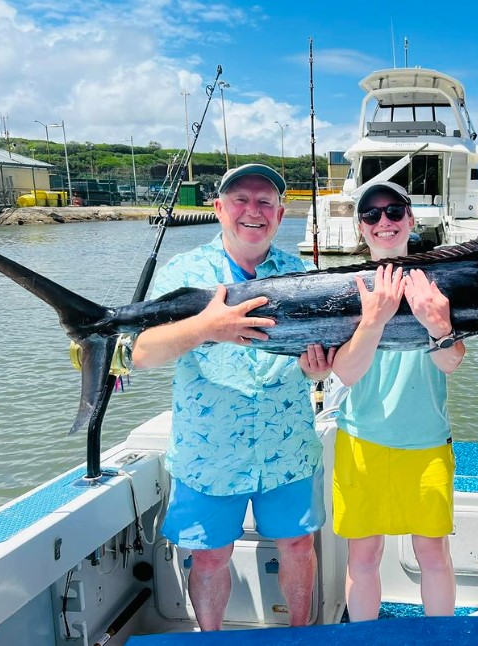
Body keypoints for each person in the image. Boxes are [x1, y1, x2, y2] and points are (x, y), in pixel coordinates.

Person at [131, 163, 336, 630]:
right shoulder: (184, 273)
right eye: (240, 200)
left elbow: (309, 358)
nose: (253, 211)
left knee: (299, 546)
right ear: (219, 208)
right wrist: (208, 327)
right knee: (208, 559)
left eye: (265, 202)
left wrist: (314, 368)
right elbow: (141, 353)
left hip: (287, 444)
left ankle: (299, 636)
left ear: (281, 215)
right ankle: (211, 640)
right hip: (209, 450)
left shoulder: (300, 274)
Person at [330, 181, 466, 620]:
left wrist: (438, 325)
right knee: (363, 557)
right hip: (361, 441)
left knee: (433, 555)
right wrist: (373, 321)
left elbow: (451, 363)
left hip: (426, 440)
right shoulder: (344, 287)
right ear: (361, 228)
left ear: (410, 219)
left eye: (393, 212)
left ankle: (439, 638)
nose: (383, 222)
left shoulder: (438, 283)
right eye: (371, 214)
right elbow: (346, 372)